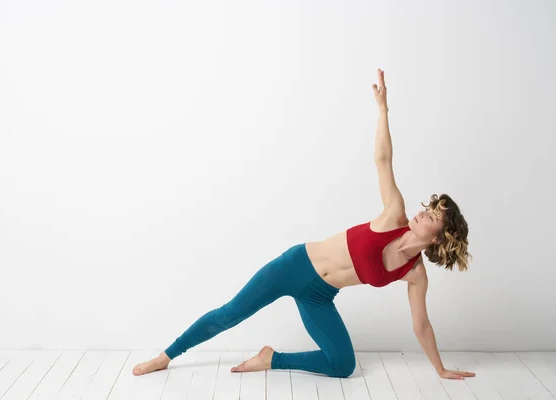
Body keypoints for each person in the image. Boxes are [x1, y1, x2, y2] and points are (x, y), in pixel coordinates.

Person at [132, 69, 475, 380]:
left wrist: (440, 369)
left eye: (432, 216)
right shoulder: (394, 216)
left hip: (319, 296)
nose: (423, 212)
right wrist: (383, 109)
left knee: (343, 365)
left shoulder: (415, 274)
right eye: (428, 207)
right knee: (230, 314)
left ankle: (271, 359)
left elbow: (422, 326)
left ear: (439, 240)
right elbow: (382, 160)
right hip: (296, 266)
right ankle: (165, 356)